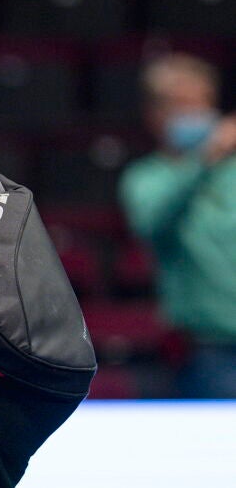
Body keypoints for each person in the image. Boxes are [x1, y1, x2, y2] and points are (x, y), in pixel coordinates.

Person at [119, 53, 236, 399]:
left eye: (203, 103)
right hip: (206, 349)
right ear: (155, 114)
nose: (196, 113)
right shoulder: (146, 178)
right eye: (183, 104)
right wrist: (204, 158)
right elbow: (150, 222)